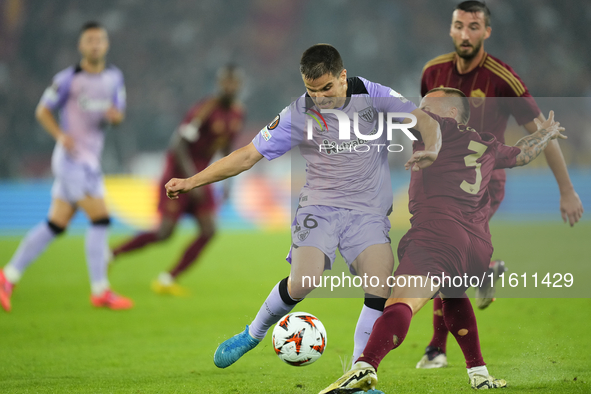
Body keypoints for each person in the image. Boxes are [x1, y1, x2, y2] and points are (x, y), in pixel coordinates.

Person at [165, 44, 442, 368]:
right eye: (312, 91)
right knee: (304, 282)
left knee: (379, 283)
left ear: (342, 76)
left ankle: (359, 372)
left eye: (327, 88)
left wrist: (433, 148)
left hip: (367, 212)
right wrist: (191, 181)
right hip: (320, 209)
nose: (321, 98)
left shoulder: (372, 94)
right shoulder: (298, 113)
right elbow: (246, 155)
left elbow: (424, 121)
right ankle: (253, 334)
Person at [319, 88, 567, 393]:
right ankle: (479, 373)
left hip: (437, 235)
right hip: (477, 246)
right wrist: (547, 133)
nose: (419, 110)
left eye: (425, 106)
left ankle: (365, 366)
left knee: (402, 303)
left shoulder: (438, 126)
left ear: (449, 113)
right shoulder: (487, 144)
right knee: (452, 294)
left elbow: (387, 112)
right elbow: (523, 153)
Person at [417, 0, 584, 368]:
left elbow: (544, 133)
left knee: (444, 256)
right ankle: (484, 272)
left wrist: (567, 189)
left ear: (486, 32)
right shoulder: (432, 72)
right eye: (459, 25)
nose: (465, 34)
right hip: (442, 180)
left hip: (483, 182)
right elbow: (424, 124)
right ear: (450, 28)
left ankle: (436, 348)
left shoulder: (503, 79)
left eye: (473, 27)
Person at [0, 22, 132, 312]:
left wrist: (114, 116)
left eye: (100, 39)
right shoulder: (68, 79)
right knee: (100, 218)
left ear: (106, 44)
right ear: (81, 46)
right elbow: (42, 110)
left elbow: (119, 113)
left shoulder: (114, 77)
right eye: (90, 40)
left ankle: (8, 276)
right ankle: (100, 290)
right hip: (73, 160)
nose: (95, 44)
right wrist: (61, 136)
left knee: (56, 224)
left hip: (90, 159)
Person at [110, 65, 245, 295]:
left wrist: (228, 182)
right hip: (179, 172)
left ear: (239, 86)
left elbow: (227, 147)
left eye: (234, 83)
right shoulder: (204, 109)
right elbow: (179, 145)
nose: (230, 87)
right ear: (219, 84)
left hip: (202, 175)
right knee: (164, 233)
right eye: (226, 82)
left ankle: (167, 279)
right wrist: (189, 181)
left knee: (209, 230)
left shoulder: (237, 114)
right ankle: (112, 254)